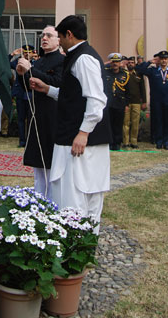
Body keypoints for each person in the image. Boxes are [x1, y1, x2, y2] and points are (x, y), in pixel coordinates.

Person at [30, 15, 112, 232]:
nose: (59, 42)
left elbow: (96, 100)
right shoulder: (77, 57)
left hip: (80, 140)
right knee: (78, 192)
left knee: (75, 193)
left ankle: (76, 243)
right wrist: (47, 89)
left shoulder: (83, 59)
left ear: (69, 35)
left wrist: (83, 133)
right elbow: (73, 95)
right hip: (77, 136)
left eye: (60, 37)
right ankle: (80, 243)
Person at [17, 25, 64, 196]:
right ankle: (39, 196)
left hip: (53, 115)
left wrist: (32, 70)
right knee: (38, 163)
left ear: (59, 40)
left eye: (49, 35)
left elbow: (57, 82)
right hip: (36, 115)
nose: (44, 38)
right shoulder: (39, 61)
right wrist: (21, 74)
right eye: (43, 35)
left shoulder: (62, 61)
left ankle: (52, 198)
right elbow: (27, 87)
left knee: (51, 162)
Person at [137, 51, 168, 150]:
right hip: (157, 101)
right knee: (158, 121)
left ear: (167, 60)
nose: (164, 61)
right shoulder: (153, 71)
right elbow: (139, 70)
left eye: (165, 59)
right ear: (159, 60)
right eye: (162, 59)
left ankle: (166, 142)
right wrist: (149, 62)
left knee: (167, 122)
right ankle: (159, 142)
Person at [10, 45, 34, 148]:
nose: (27, 54)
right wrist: (12, 55)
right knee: (21, 119)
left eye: (29, 53)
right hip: (20, 94)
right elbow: (6, 64)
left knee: (30, 119)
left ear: (32, 53)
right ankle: (22, 141)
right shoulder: (18, 62)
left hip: (31, 95)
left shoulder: (36, 64)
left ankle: (29, 140)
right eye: (25, 53)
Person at [104, 54, 129, 151]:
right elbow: (100, 66)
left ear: (120, 63)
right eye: (113, 62)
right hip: (109, 103)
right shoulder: (106, 72)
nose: (115, 64)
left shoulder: (125, 74)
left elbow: (128, 91)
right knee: (109, 123)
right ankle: (110, 142)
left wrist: (127, 104)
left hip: (120, 103)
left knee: (118, 124)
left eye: (117, 62)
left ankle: (117, 143)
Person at [122, 56, 146, 149]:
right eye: (129, 63)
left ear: (135, 64)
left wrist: (144, 101)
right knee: (126, 123)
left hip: (136, 102)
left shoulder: (139, 74)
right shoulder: (123, 74)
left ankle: (134, 141)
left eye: (132, 62)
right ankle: (125, 142)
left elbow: (143, 89)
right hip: (126, 103)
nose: (130, 64)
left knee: (135, 123)